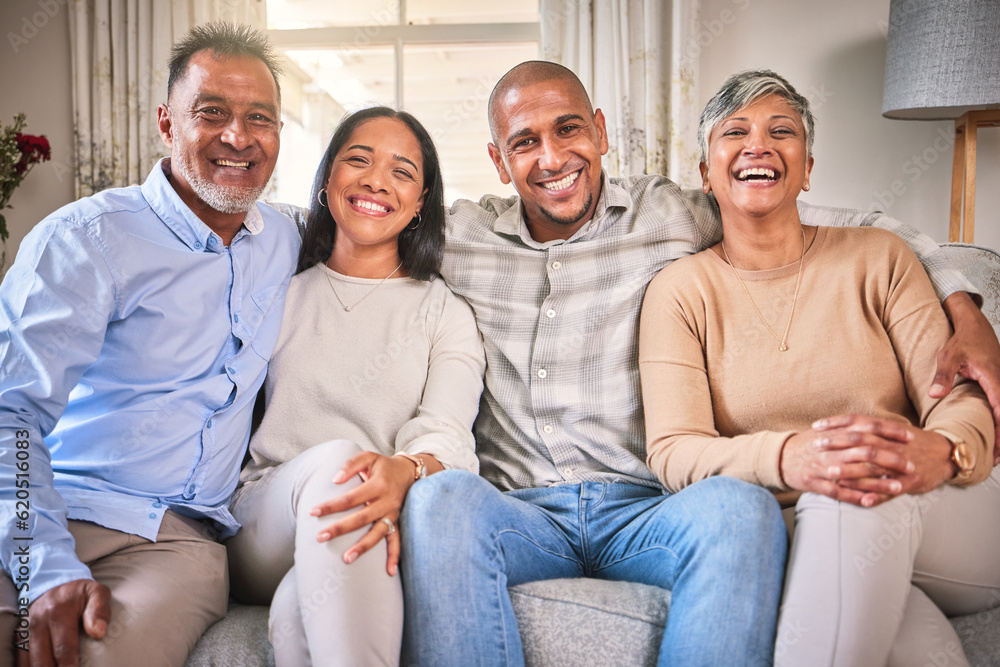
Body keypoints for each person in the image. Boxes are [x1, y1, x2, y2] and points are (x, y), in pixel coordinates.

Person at [398, 60, 1000, 667]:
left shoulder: (674, 215)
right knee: (439, 501)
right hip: (519, 510)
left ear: (601, 132)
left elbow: (844, 222)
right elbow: (357, 223)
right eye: (524, 142)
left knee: (740, 508)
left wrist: (964, 304)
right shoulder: (458, 238)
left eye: (569, 129)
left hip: (647, 508)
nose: (552, 158)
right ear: (500, 161)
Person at [639, 69, 1000, 666]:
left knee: (849, 490)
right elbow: (675, 450)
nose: (759, 144)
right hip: (807, 537)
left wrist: (947, 450)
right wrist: (794, 458)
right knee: (910, 637)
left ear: (807, 168)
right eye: (736, 133)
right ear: (706, 173)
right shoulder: (680, 292)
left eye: (782, 131)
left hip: (941, 505)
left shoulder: (879, 257)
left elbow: (954, 396)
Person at [0, 23, 300, 666]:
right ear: (167, 123)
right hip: (61, 504)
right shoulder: (86, 240)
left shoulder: (287, 240)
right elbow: (11, 414)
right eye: (212, 113)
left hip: (178, 543)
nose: (238, 137)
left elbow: (388, 205)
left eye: (260, 119)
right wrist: (41, 562)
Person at [225, 106, 484, 666]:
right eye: (358, 160)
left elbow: (448, 439)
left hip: (367, 527)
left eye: (402, 172)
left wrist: (405, 470)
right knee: (349, 463)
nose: (375, 181)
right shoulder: (276, 295)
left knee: (298, 612)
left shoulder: (446, 314)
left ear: (421, 204)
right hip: (264, 524)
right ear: (326, 181)